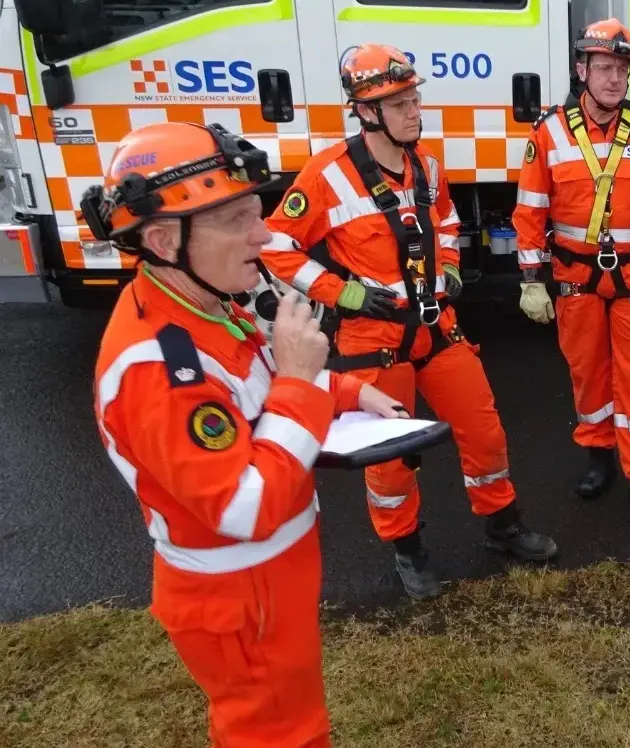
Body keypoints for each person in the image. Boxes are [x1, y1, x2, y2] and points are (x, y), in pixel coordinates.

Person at [87, 121, 408, 746]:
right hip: (237, 595)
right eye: (237, 220)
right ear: (161, 238)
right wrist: (297, 377)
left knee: (287, 721)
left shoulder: (206, 307)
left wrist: (343, 389)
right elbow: (245, 505)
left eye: (256, 213)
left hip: (267, 581)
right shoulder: (155, 365)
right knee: (279, 734)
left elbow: (259, 391)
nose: (263, 235)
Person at [261, 43, 558, 600]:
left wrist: (448, 269)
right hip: (373, 338)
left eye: (415, 99)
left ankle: (502, 526)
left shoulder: (427, 166)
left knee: (485, 432)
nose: (414, 111)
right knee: (392, 462)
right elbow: (276, 245)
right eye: (399, 104)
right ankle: (407, 548)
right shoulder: (328, 175)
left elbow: (445, 220)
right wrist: (342, 292)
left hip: (437, 328)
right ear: (366, 112)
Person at [511, 18, 630, 526]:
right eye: (604, 68)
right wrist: (531, 282)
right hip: (575, 278)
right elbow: (529, 212)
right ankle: (599, 458)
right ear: (582, 70)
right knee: (588, 376)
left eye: (621, 69)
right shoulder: (548, 132)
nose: (614, 79)